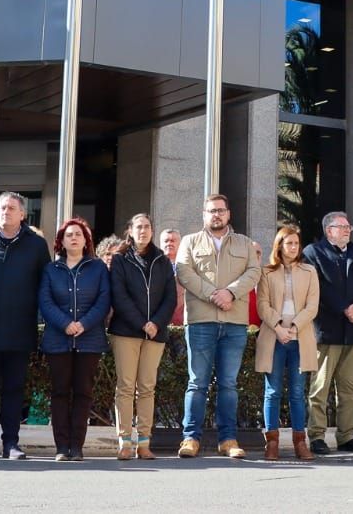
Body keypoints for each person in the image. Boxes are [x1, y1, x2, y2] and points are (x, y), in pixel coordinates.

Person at [175, 194, 261, 459]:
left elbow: (254, 272)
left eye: (221, 210)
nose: (217, 215)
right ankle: (190, 438)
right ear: (204, 214)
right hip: (201, 320)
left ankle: (228, 440)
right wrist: (214, 293)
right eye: (212, 211)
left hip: (234, 322)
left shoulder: (245, 243)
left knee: (228, 384)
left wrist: (231, 293)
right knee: (197, 382)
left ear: (228, 214)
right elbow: (184, 272)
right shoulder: (189, 242)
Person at [0, 191, 48, 460]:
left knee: (15, 388)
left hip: (20, 329)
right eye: (2, 207)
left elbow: (44, 286)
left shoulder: (36, 245)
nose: (6, 211)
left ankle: (11, 443)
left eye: (12, 208)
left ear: (23, 214)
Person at [303, 210, 353, 455]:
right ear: (328, 230)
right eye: (341, 226)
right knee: (320, 387)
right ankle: (316, 436)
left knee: (351, 388)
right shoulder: (313, 253)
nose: (347, 230)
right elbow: (318, 288)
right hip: (327, 331)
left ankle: (346, 436)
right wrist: (344, 308)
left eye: (348, 227)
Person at [39, 216, 110, 461]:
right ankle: (61, 447)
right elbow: (45, 302)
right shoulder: (51, 269)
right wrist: (65, 324)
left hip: (89, 341)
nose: (74, 238)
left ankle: (77, 447)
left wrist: (84, 324)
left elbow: (104, 301)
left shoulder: (98, 268)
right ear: (61, 240)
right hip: (57, 340)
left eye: (78, 234)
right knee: (59, 393)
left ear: (86, 239)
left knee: (83, 393)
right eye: (69, 235)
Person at [109, 212, 175, 460]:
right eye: (139, 227)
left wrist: (156, 323)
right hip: (126, 331)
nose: (143, 231)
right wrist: (141, 323)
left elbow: (170, 297)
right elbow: (119, 295)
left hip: (155, 333)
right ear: (130, 230)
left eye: (147, 226)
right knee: (126, 387)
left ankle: (144, 442)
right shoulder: (120, 259)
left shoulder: (162, 260)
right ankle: (124, 441)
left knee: (147, 388)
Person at [256, 224, 319, 461]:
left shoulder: (309, 271)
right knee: (272, 391)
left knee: (296, 391)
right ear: (279, 245)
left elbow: (312, 306)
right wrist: (279, 327)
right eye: (289, 243)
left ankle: (300, 442)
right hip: (274, 335)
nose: (293, 247)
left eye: (296, 243)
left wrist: (293, 328)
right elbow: (262, 304)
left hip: (299, 336)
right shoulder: (267, 272)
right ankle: (271, 443)